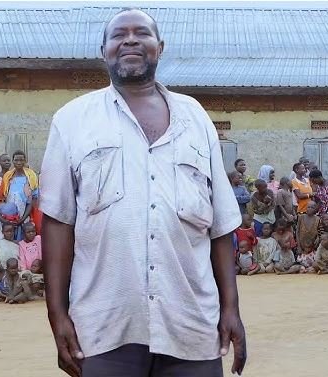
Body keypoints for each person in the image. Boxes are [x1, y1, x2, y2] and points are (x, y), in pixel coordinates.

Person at [40, 9, 246, 376]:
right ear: (104, 50)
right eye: (119, 35)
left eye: (142, 34)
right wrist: (57, 314)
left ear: (159, 47)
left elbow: (221, 227)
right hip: (105, 326)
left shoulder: (195, 118)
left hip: (191, 324)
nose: (130, 40)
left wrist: (231, 309)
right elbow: (57, 223)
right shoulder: (71, 120)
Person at [1, 150, 37, 238]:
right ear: (13, 161)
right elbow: (4, 198)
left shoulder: (30, 177)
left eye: (21, 160)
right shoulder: (8, 177)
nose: (19, 162)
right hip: (8, 218)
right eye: (16, 160)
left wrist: (22, 219)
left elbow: (31, 201)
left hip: (24, 216)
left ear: (25, 161)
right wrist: (7, 218)